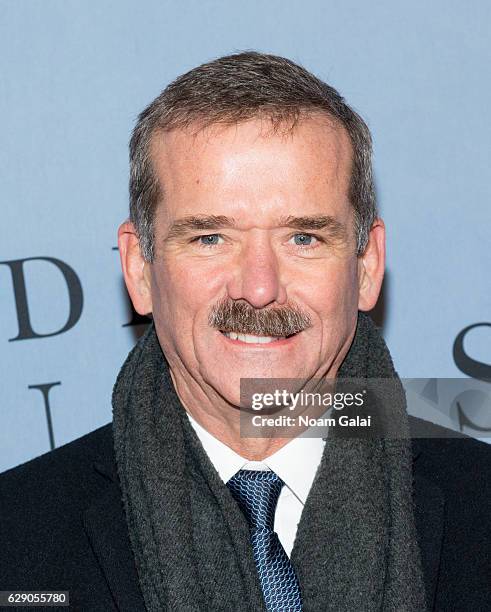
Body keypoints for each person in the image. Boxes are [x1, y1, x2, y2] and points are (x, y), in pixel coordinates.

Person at [0, 52, 489, 612]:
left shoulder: (481, 504)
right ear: (139, 269)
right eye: (210, 237)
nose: (258, 288)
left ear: (368, 265)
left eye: (303, 237)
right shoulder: (15, 538)